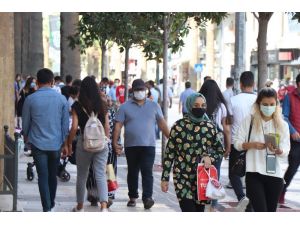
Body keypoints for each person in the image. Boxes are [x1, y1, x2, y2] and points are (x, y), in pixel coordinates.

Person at [161, 93, 224, 212]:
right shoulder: (179, 126)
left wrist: (210, 157)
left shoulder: (209, 127)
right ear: (190, 106)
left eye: (202, 105)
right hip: (181, 176)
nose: (199, 108)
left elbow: (220, 150)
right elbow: (169, 153)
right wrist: (164, 178)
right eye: (196, 105)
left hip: (202, 178)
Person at [113, 78, 170, 210]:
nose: (140, 92)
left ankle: (147, 198)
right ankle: (132, 197)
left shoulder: (154, 106)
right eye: (137, 90)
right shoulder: (124, 107)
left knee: (147, 171)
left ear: (146, 90)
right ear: (133, 91)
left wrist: (172, 139)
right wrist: (115, 142)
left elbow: (162, 124)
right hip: (131, 146)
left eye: (142, 89)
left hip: (148, 145)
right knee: (132, 171)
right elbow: (118, 126)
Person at [233, 88, 290, 212]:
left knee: (270, 211)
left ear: (276, 104)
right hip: (254, 172)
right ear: (258, 104)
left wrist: (279, 150)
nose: (268, 107)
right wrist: (251, 145)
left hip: (275, 175)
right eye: (265, 104)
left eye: (271, 104)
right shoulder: (249, 120)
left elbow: (286, 149)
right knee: (261, 211)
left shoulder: (282, 125)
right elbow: (237, 143)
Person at [22, 68, 69, 212]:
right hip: (55, 144)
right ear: (52, 81)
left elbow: (25, 123)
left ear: (37, 81)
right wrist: (65, 144)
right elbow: (65, 124)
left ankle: (47, 208)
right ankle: (52, 204)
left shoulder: (30, 99)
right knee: (52, 176)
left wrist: (26, 139)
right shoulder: (61, 99)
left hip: (37, 144)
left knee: (42, 176)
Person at [66, 76, 110, 212]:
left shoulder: (77, 105)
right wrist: (106, 140)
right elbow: (107, 126)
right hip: (101, 143)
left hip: (84, 143)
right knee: (101, 174)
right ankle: (103, 206)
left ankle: (80, 206)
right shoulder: (102, 103)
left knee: (82, 175)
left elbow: (74, 127)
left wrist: (68, 143)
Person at [199, 79, 231, 211]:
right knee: (214, 174)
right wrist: (228, 147)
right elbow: (226, 129)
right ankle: (213, 205)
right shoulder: (222, 107)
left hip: (200, 145)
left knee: (200, 172)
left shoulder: (199, 104)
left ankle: (200, 199)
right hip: (217, 145)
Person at [229, 71, 257, 211]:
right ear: (254, 84)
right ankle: (250, 204)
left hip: (237, 143)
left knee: (234, 173)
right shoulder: (259, 100)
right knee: (251, 175)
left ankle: (241, 197)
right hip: (254, 144)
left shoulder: (233, 100)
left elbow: (228, 122)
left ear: (240, 84)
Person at [279, 73, 300, 204]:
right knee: (292, 168)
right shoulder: (289, 97)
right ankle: (281, 190)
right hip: (295, 140)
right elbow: (284, 117)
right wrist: (293, 131)